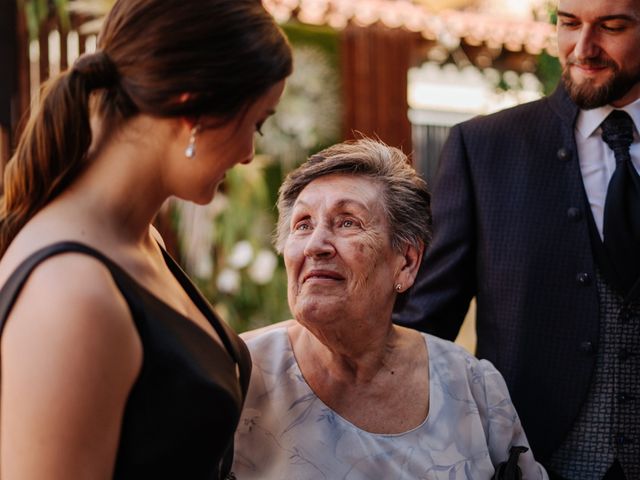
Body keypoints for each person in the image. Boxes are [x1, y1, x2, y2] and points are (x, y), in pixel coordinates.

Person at [0, 0, 291, 478]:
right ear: (190, 106)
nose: (248, 154)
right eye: (255, 122)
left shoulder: (139, 239)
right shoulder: (70, 292)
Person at [393, 0, 640, 478]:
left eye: (611, 27)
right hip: (530, 460)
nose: (583, 48)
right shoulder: (485, 147)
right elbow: (424, 324)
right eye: (568, 24)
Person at [232, 138, 548, 479]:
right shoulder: (238, 375)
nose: (315, 245)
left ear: (407, 262)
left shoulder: (474, 386)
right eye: (303, 224)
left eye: (347, 222)